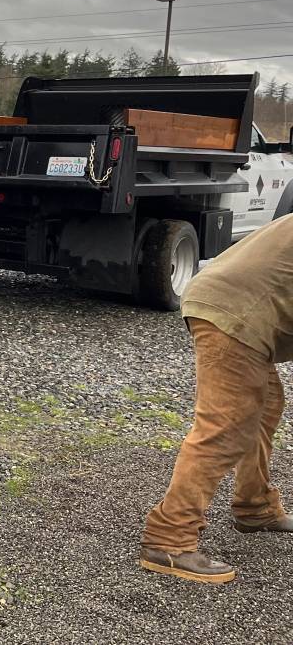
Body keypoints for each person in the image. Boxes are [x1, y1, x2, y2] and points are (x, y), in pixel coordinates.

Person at [139, 213, 293, 583]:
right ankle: (169, 539)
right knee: (227, 426)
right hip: (236, 309)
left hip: (237, 302)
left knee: (266, 406)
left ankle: (255, 507)